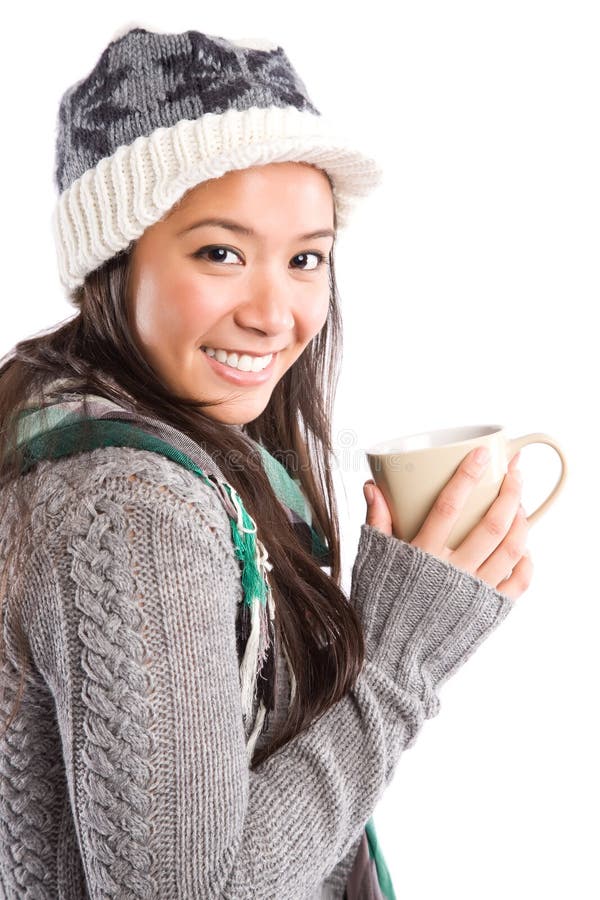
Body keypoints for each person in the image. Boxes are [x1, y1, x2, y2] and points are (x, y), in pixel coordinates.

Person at [0, 24, 533, 900]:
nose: (275, 312)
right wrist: (399, 659)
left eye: (306, 259)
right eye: (221, 253)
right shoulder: (131, 504)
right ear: (114, 260)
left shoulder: (185, 460)